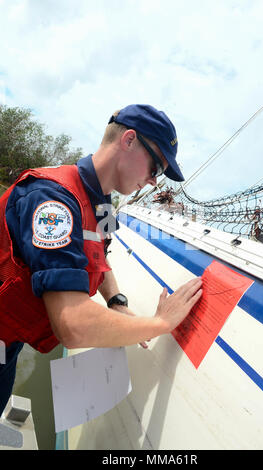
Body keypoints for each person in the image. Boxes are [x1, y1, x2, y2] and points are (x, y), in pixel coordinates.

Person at [0, 104, 203, 415]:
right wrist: (160, 323)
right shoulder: (53, 200)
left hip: (8, 344)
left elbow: (101, 258)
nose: (153, 182)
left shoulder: (105, 208)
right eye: (156, 169)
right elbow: (73, 325)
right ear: (129, 140)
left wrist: (116, 300)